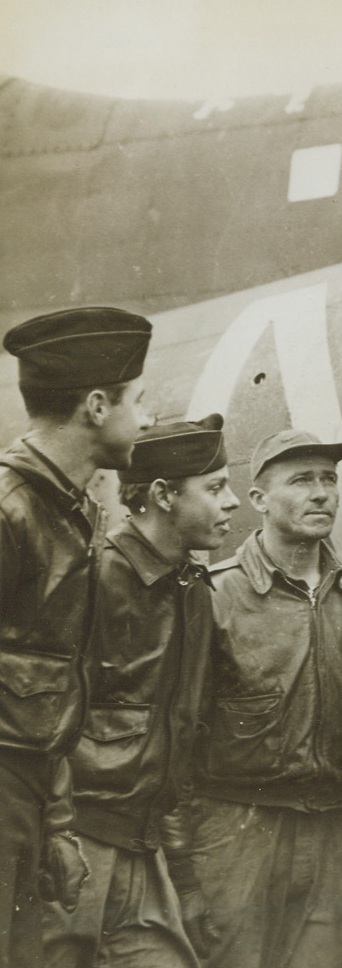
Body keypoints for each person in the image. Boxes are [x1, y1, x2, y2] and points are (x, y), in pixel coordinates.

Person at [166, 429, 342, 968]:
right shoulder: (213, 597)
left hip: (339, 833)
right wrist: (183, 869)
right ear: (259, 500)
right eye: (301, 481)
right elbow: (174, 740)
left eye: (328, 480)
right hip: (236, 833)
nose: (321, 494)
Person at [42, 414, 238, 967]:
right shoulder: (91, 576)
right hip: (72, 844)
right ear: (163, 495)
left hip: (140, 849)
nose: (233, 504)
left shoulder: (192, 590)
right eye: (216, 488)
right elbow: (38, 722)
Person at [0, 307, 152, 967]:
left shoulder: (70, 511)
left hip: (28, 794)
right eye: (137, 401)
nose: (144, 419)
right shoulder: (11, 510)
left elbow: (51, 689)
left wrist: (57, 824)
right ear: (96, 405)